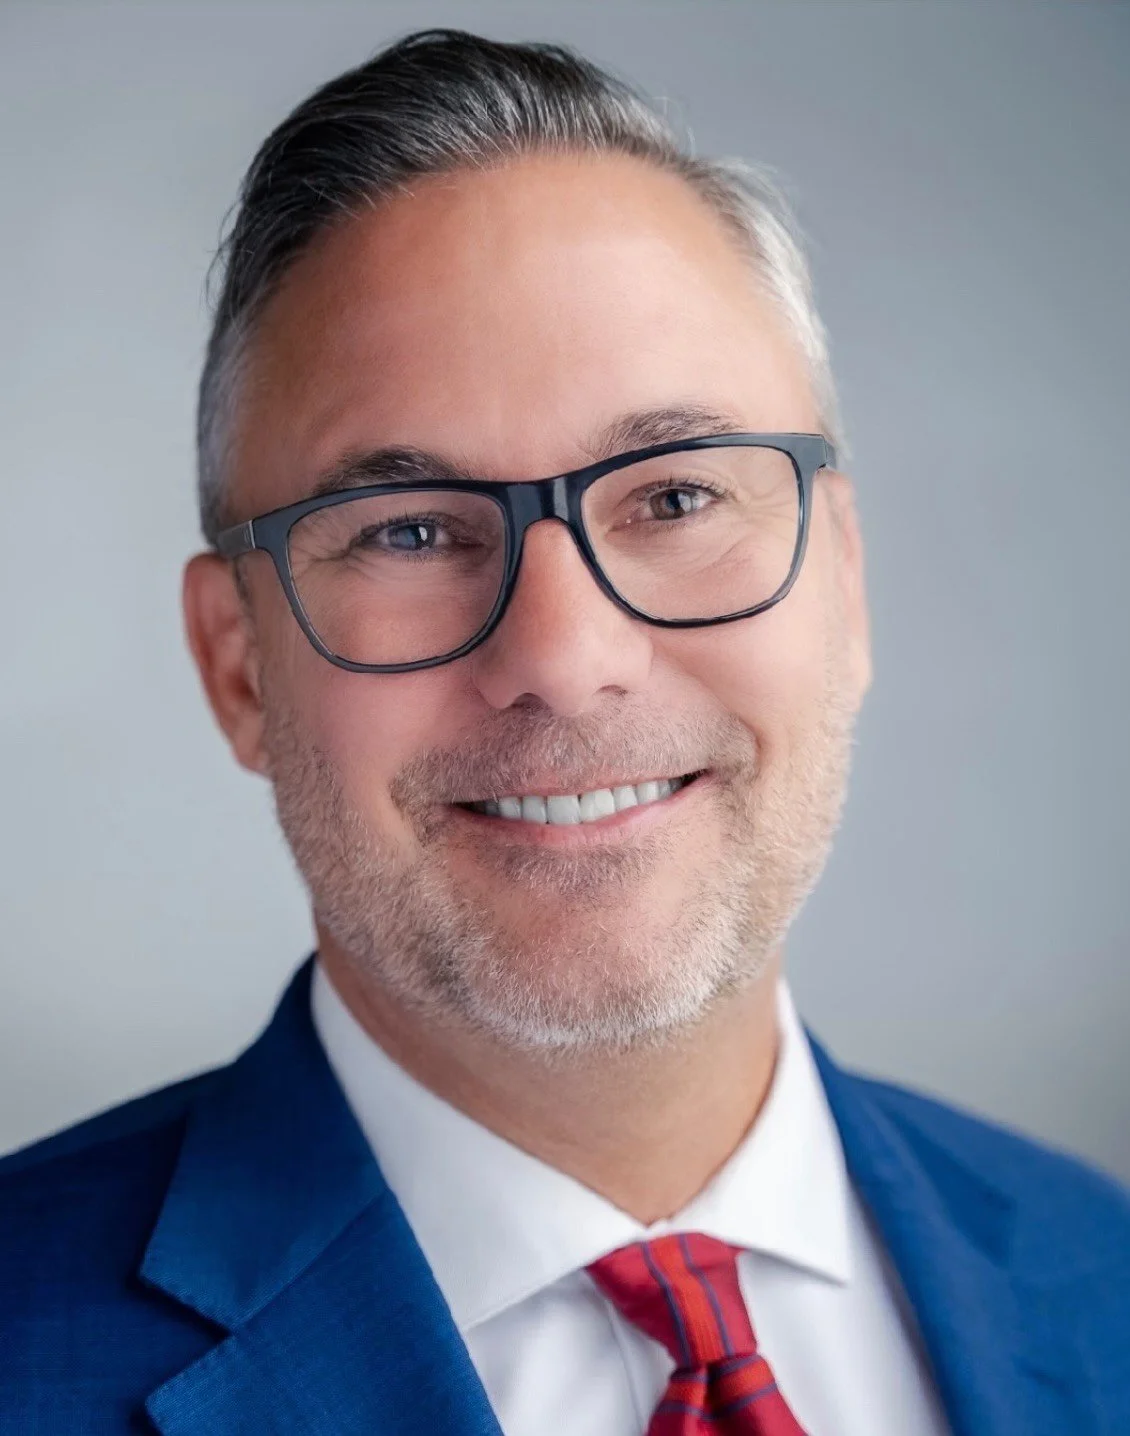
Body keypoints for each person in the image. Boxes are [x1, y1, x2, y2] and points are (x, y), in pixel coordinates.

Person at [1, 27, 1126, 1436]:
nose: (562, 658)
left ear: (842, 578)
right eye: (409, 530)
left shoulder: (1104, 1282)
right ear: (237, 665)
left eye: (671, 499)